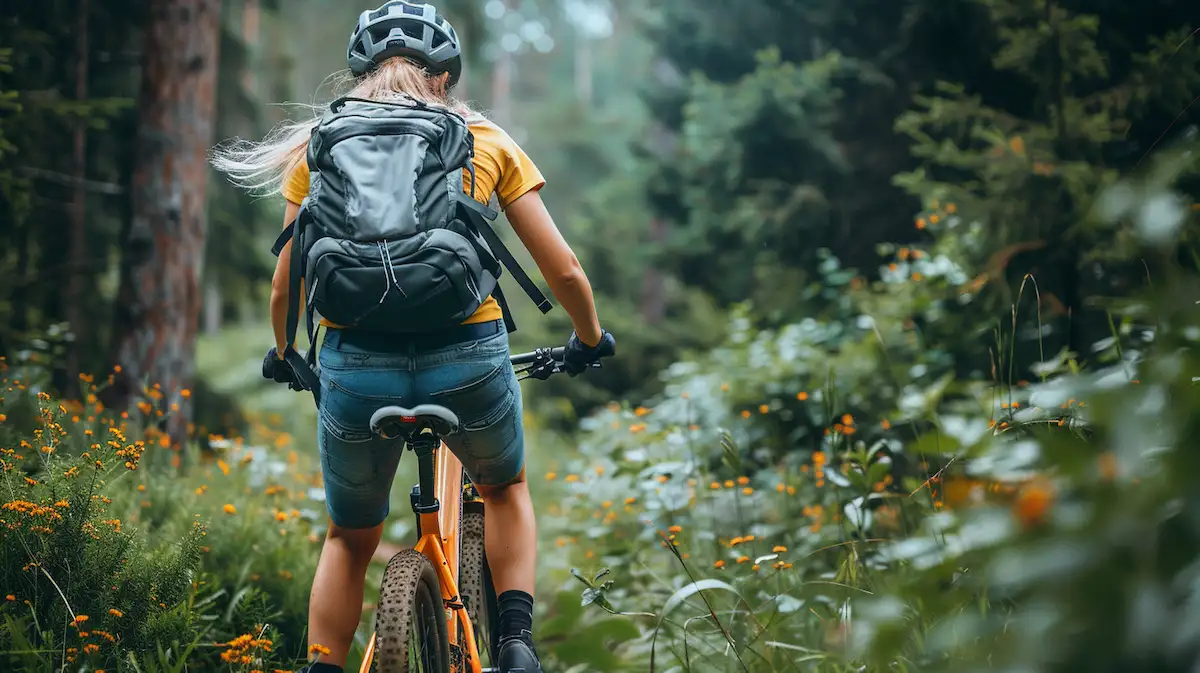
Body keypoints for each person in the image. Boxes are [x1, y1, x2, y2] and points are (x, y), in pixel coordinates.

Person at [211, 3, 614, 672]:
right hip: (469, 357)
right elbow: (563, 268)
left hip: (353, 367)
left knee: (347, 538)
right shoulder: (483, 137)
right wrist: (588, 337)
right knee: (507, 488)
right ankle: (516, 645)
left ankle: (322, 666)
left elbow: (286, 287)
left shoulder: (322, 142)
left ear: (360, 70)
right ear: (447, 74)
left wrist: (286, 352)